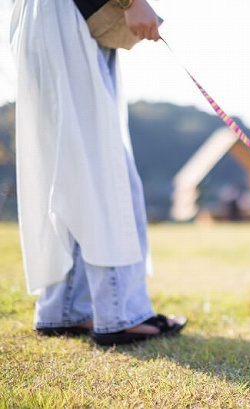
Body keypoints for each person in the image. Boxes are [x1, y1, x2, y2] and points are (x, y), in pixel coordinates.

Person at [10, 0, 187, 346]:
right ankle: (121, 313)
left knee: (68, 171)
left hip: (38, 18)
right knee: (104, 173)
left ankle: (62, 309)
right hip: (68, 18)